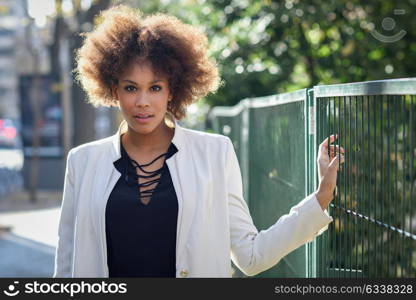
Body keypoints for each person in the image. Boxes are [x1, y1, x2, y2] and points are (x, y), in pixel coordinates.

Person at [53, 5, 345, 278]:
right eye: (131, 88)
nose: (143, 102)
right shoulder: (83, 162)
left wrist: (321, 197)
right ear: (113, 90)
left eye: (155, 87)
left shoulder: (214, 153)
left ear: (172, 91)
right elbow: (66, 266)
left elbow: (251, 256)